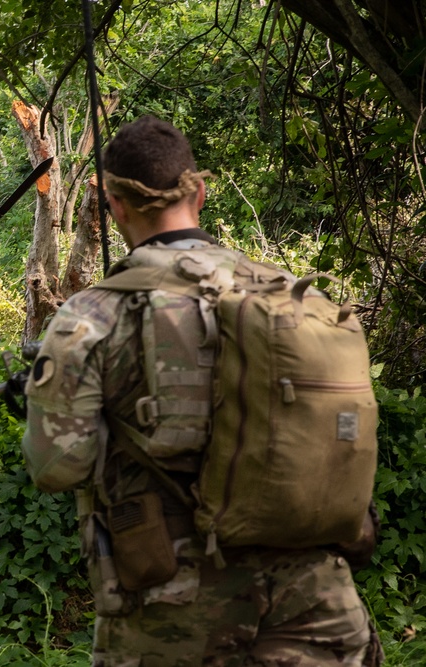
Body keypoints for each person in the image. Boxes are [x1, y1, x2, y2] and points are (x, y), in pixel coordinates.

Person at [21, 116, 381, 665]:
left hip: (175, 612)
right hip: (319, 600)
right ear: (202, 193)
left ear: (114, 206)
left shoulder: (94, 314)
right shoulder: (288, 293)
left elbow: (57, 466)